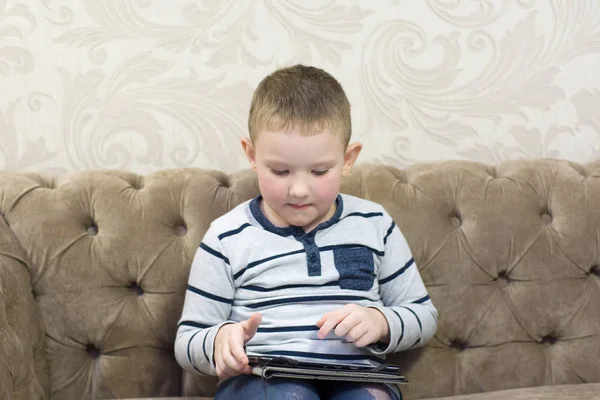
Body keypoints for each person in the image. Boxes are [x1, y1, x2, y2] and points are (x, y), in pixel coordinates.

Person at [174, 64, 438, 400]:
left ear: (347, 158)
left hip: (357, 378)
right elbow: (187, 341)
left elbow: (424, 316)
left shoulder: (375, 224)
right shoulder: (226, 237)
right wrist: (219, 340)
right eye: (280, 171)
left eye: (319, 171)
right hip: (262, 380)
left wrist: (382, 321)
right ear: (252, 156)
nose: (299, 190)